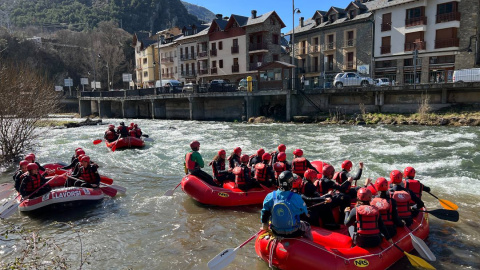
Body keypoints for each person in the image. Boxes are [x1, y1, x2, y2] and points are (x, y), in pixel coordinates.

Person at [261, 171, 313, 240]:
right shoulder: (297, 197)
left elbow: (264, 213)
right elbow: (305, 212)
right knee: (307, 226)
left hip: (275, 231)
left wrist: (265, 226)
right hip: (293, 232)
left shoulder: (270, 196)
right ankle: (308, 245)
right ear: (290, 184)